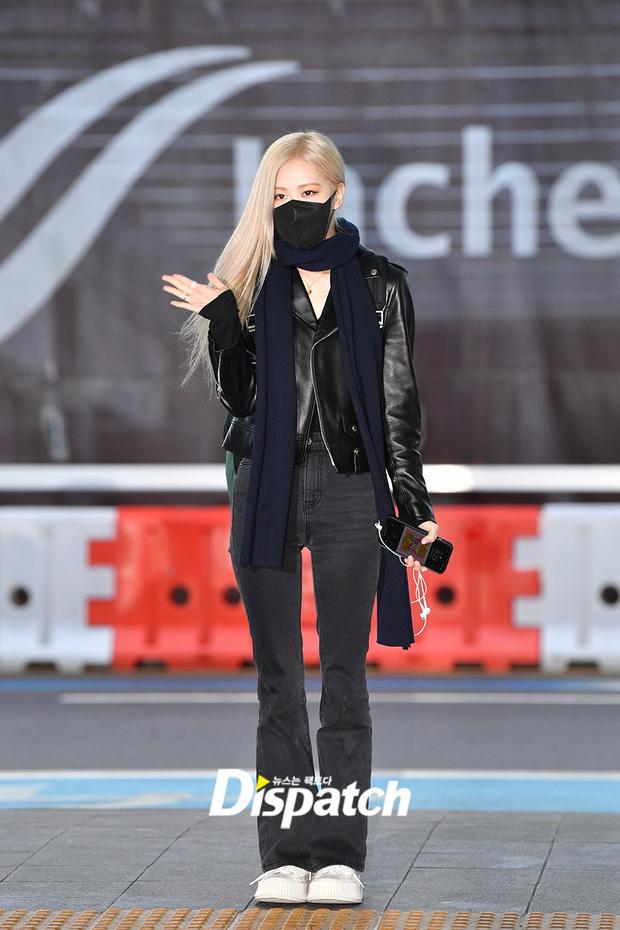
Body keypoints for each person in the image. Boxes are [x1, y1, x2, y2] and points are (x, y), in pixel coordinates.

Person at [161, 130, 439, 906]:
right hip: (268, 487)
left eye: (306, 195)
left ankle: (340, 854)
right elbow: (241, 400)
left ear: (337, 197)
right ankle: (284, 853)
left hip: (353, 492)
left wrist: (416, 511)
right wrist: (222, 319)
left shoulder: (382, 286)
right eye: (278, 196)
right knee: (278, 679)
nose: (291, 209)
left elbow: (398, 411)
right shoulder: (251, 287)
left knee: (344, 679)